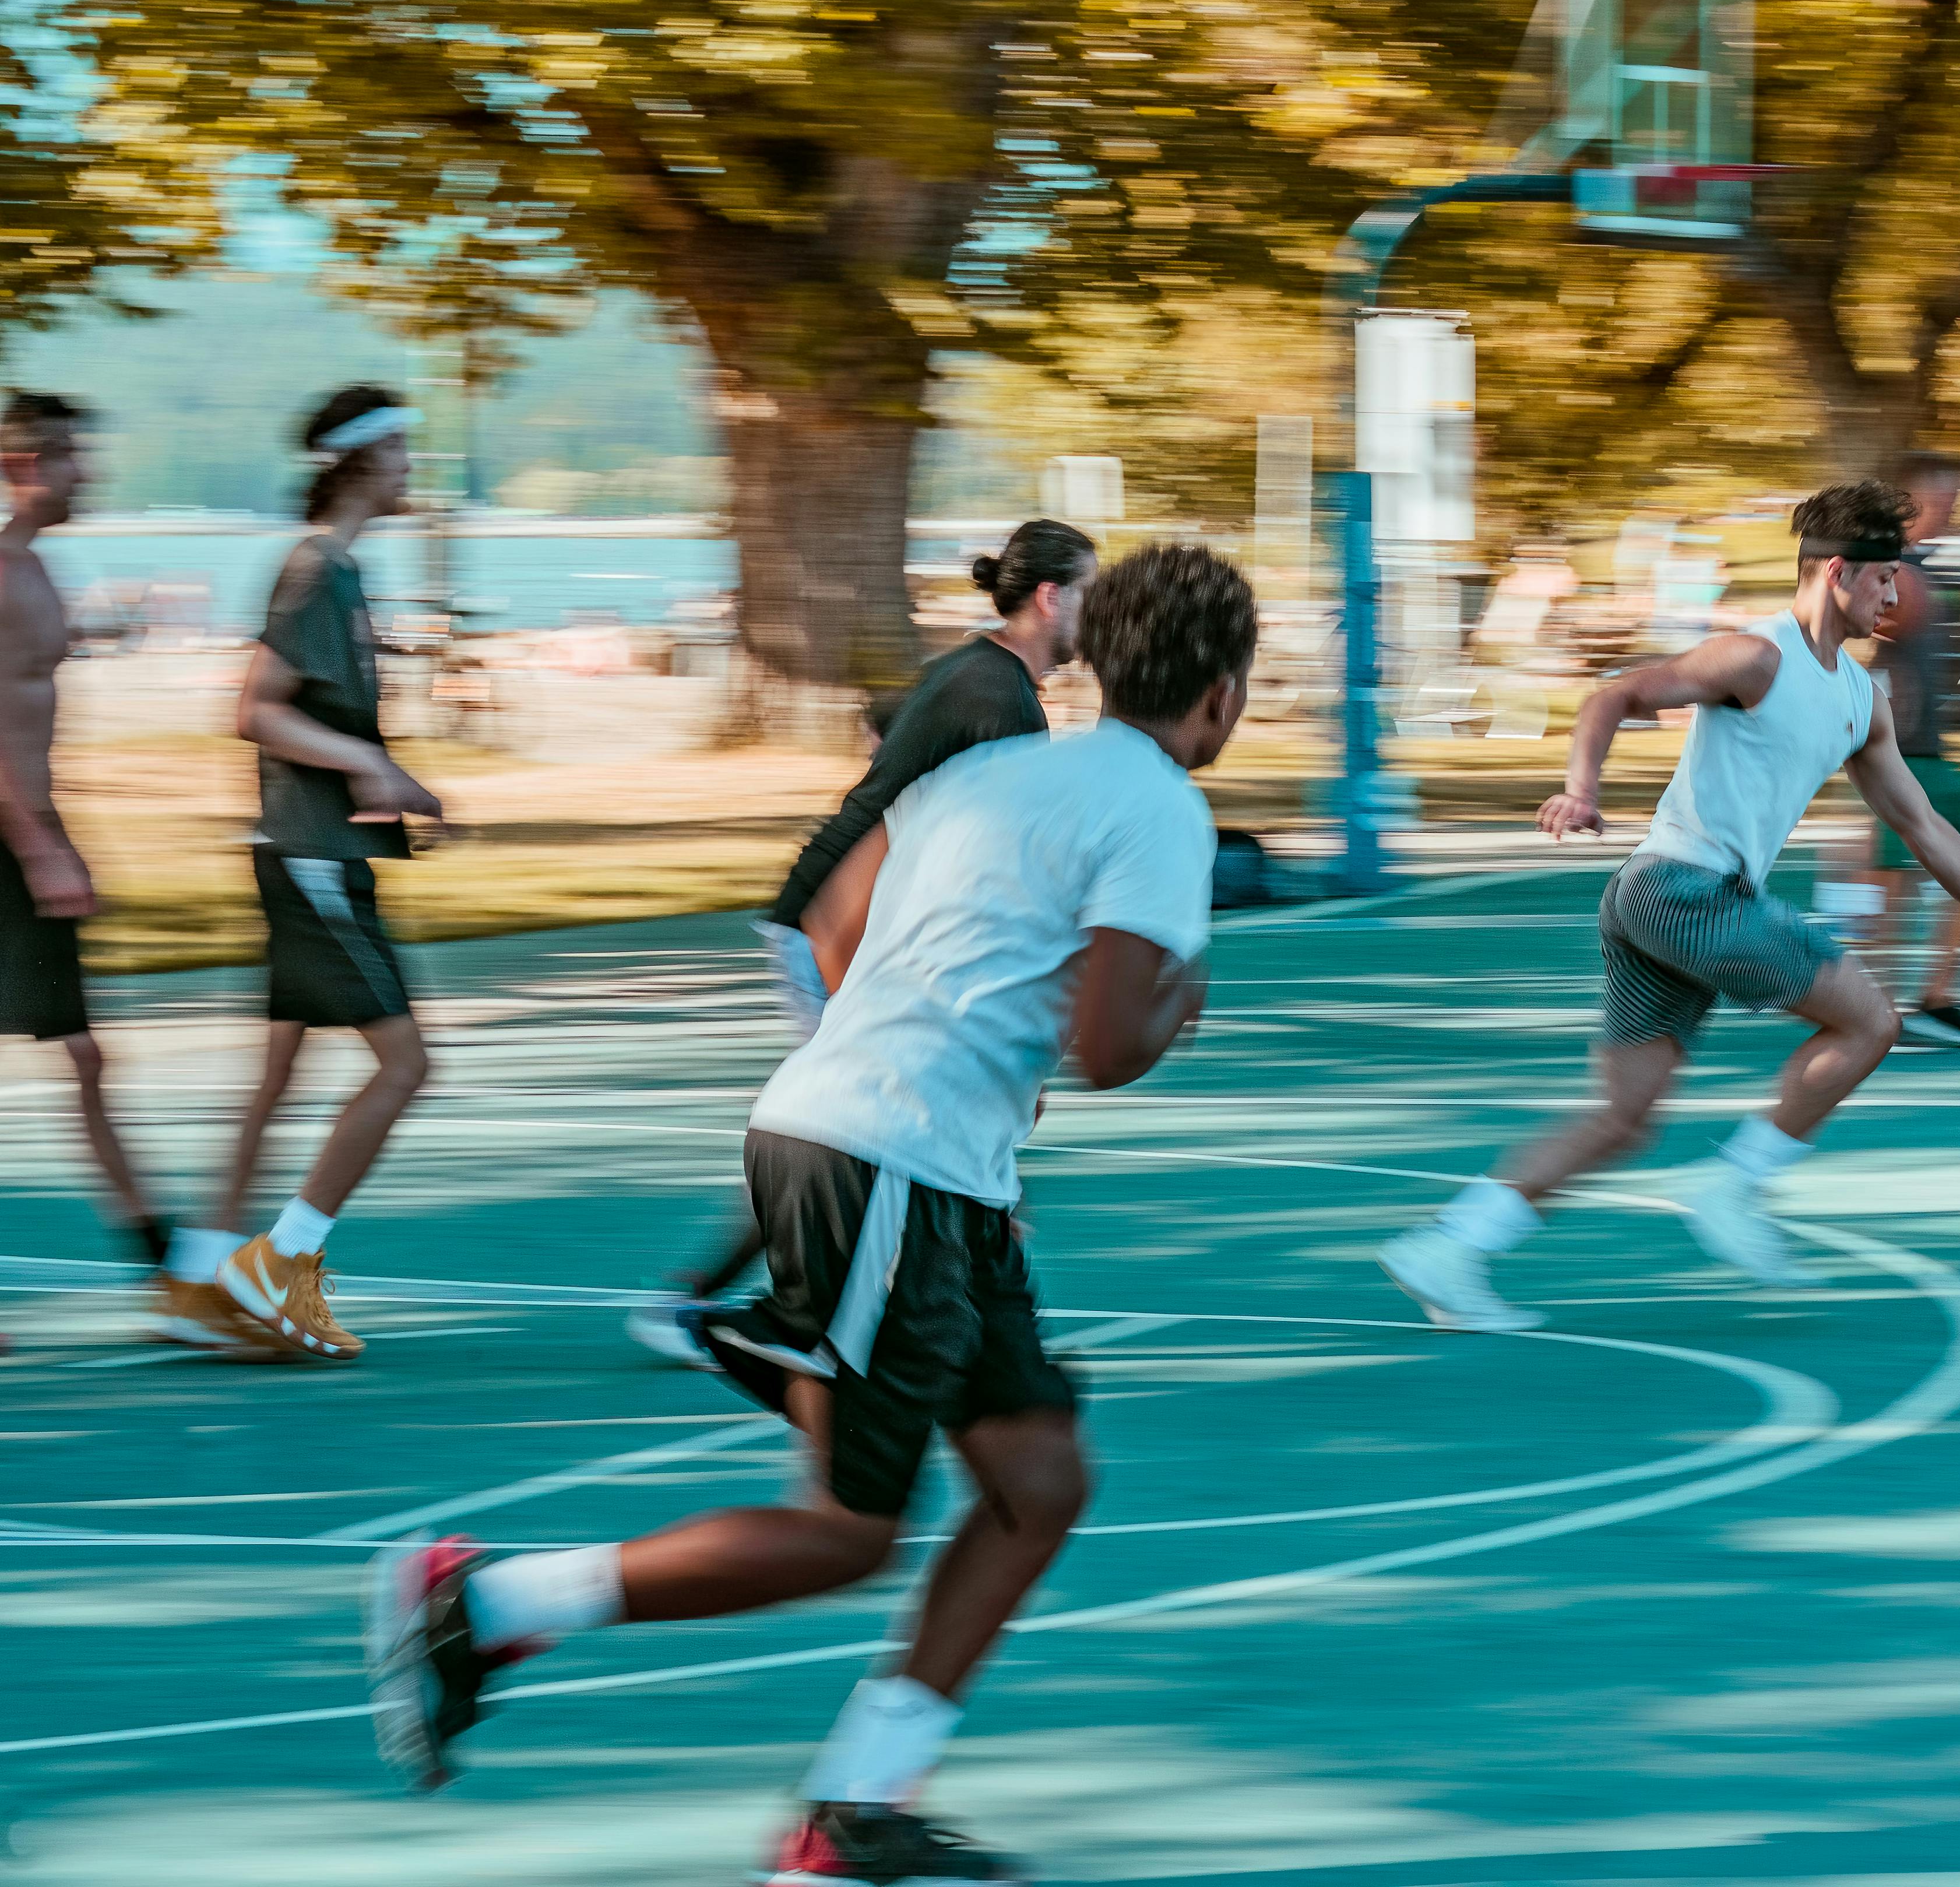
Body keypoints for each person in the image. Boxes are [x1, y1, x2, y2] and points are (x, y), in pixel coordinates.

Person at [366, 543, 1247, 1884]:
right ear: (1226, 691)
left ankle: (858, 1804)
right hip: (887, 1158)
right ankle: (481, 1600)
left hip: (907, 1159)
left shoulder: (995, 769)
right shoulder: (1162, 809)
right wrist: (1185, 990)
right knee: (849, 1525)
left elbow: (840, 913)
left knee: (1038, 1478)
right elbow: (1115, 1040)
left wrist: (926, 1069)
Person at [1378, 482, 1960, 1333]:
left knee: (1624, 1119)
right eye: (1885, 577)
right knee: (1869, 1022)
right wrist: (1580, 789)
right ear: (1836, 573)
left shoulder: (1863, 702)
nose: (1897, 594)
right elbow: (1616, 697)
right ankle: (1733, 1189)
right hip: (1682, 892)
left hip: (1658, 904)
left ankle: (1449, 1247)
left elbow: (1923, 825)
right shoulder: (1756, 657)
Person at [626, 518, 1099, 1365]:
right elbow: (995, 874)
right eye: (1090, 596)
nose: (1095, 621)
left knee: (855, 1127)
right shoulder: (1003, 703)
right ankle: (718, 1304)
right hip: (836, 925)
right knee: (846, 1127)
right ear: (1051, 597)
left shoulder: (976, 674)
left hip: (850, 919)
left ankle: (903, 1272)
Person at [159, 388, 446, 1361]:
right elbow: (259, 709)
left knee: (278, 1073)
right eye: (402, 448)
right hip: (311, 860)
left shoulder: (342, 571)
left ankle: (198, 1277)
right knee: (406, 1065)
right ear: (363, 461)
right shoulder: (316, 569)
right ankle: (282, 1259)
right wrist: (369, 767)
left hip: (315, 849)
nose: (413, 464)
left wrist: (388, 783)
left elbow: (320, 723)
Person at [0, 394, 159, 1289]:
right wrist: (39, 849)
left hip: (27, 832)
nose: (86, 472)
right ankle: (153, 1246)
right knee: (79, 1055)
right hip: (9, 841)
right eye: (70, 458)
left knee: (85, 1054)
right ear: (25, 466)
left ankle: (154, 1249)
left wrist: (59, 836)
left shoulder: (40, 570)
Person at [1867, 452, 1960, 1049]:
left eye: (1956, 499)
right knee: (1923, 878)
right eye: (1939, 499)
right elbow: (1854, 631)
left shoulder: (1923, 567)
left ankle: (1918, 999)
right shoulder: (1892, 571)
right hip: (1907, 752)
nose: (1950, 509)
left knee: (1900, 879)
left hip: (1928, 750)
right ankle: (1912, 1001)